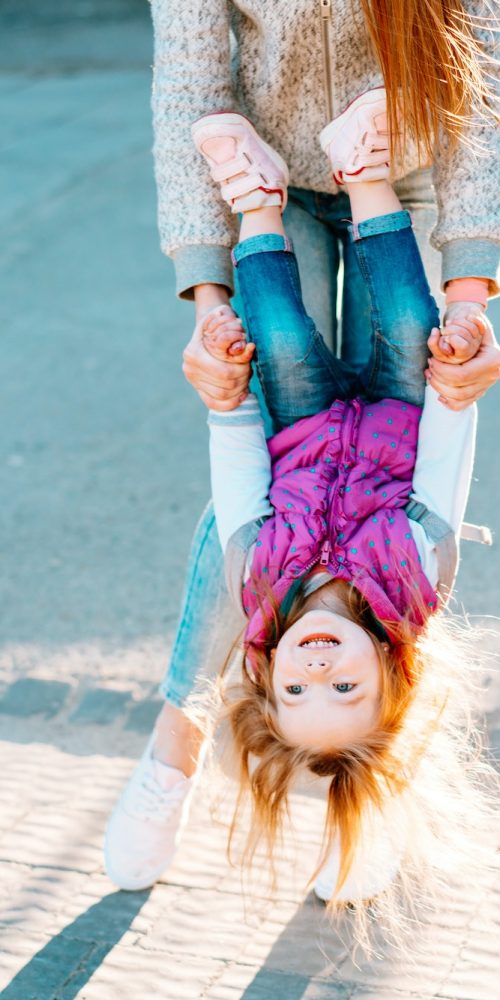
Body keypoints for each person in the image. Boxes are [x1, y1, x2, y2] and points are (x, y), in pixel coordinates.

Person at [105, 98, 493, 903]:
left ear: (266, 670)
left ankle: (255, 198)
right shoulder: (411, 583)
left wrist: (227, 402)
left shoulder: (262, 582)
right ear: (389, 669)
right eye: (345, 689)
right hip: (397, 410)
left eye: (295, 689)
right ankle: (365, 170)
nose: (318, 670)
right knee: (411, 320)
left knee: (275, 337)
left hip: (303, 419)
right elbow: (443, 478)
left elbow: (239, 482)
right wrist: (455, 391)